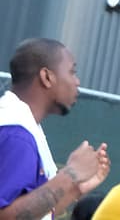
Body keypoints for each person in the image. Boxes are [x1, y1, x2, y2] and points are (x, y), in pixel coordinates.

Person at [0, 38, 110, 220]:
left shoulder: (22, 125)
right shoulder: (16, 133)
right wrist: (71, 174)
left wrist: (74, 189)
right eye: (72, 72)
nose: (77, 81)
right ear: (47, 77)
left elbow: (32, 214)